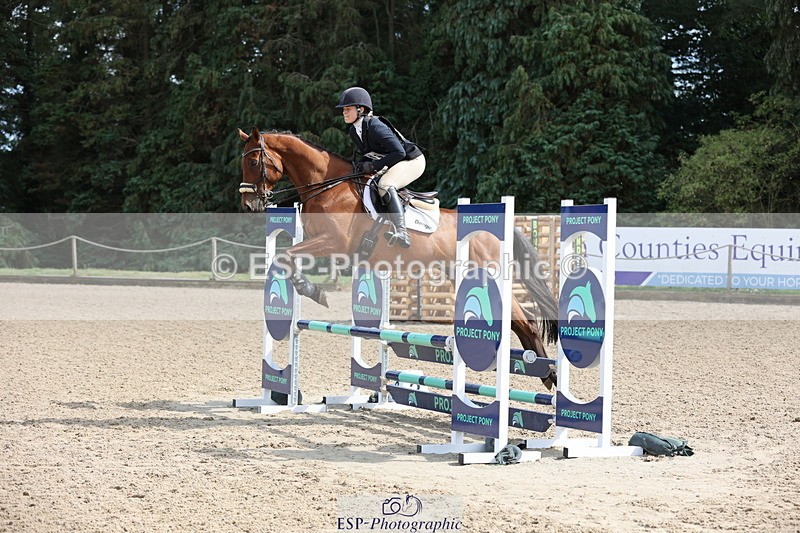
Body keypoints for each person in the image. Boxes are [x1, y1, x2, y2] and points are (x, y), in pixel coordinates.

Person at [336, 86, 425, 248]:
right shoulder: (354, 131)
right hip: (394, 160)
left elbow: (398, 152)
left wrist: (374, 166)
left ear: (360, 109)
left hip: (412, 161)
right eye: (343, 110)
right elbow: (368, 154)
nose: (344, 113)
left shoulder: (376, 126)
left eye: (347, 109)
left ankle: (402, 232)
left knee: (385, 184)